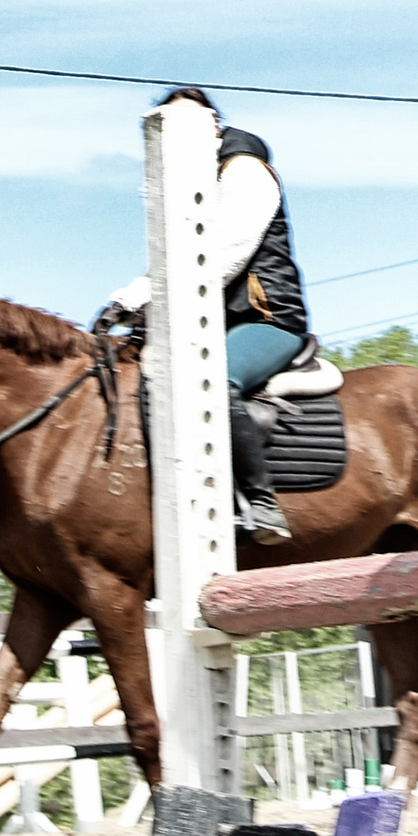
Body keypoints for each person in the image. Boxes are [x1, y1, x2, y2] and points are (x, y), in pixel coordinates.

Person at [104, 88, 308, 544]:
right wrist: (124, 303)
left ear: (214, 126)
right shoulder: (186, 186)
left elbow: (222, 256)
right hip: (207, 320)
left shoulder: (245, 172)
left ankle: (262, 502)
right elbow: (168, 262)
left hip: (266, 319)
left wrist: (147, 300)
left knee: (213, 378)